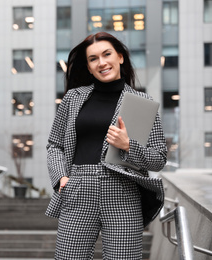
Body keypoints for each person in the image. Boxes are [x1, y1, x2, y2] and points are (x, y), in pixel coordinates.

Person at [45, 32, 167, 259]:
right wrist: (62, 177)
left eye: (107, 54)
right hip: (78, 189)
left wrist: (128, 145)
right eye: (93, 59)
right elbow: (54, 145)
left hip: (123, 193)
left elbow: (159, 158)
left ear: (120, 57)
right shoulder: (73, 98)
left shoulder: (143, 104)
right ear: (89, 67)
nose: (101, 62)